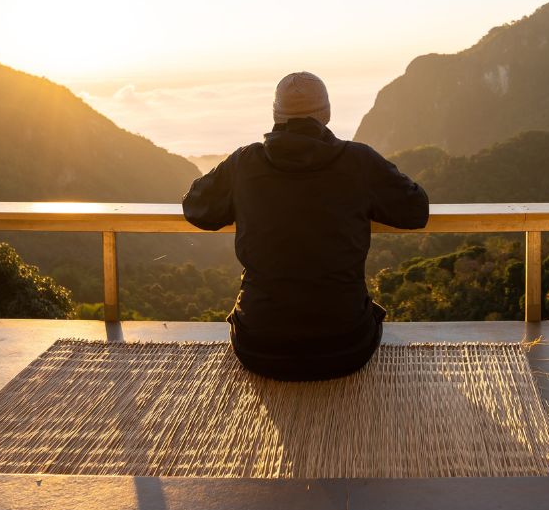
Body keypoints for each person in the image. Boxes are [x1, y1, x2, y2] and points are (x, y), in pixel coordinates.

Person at [182, 71, 429, 381]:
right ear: (326, 113)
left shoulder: (244, 163)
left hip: (259, 346)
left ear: (276, 114)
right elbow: (415, 211)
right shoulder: (359, 161)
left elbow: (196, 208)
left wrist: (248, 201)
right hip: (346, 346)